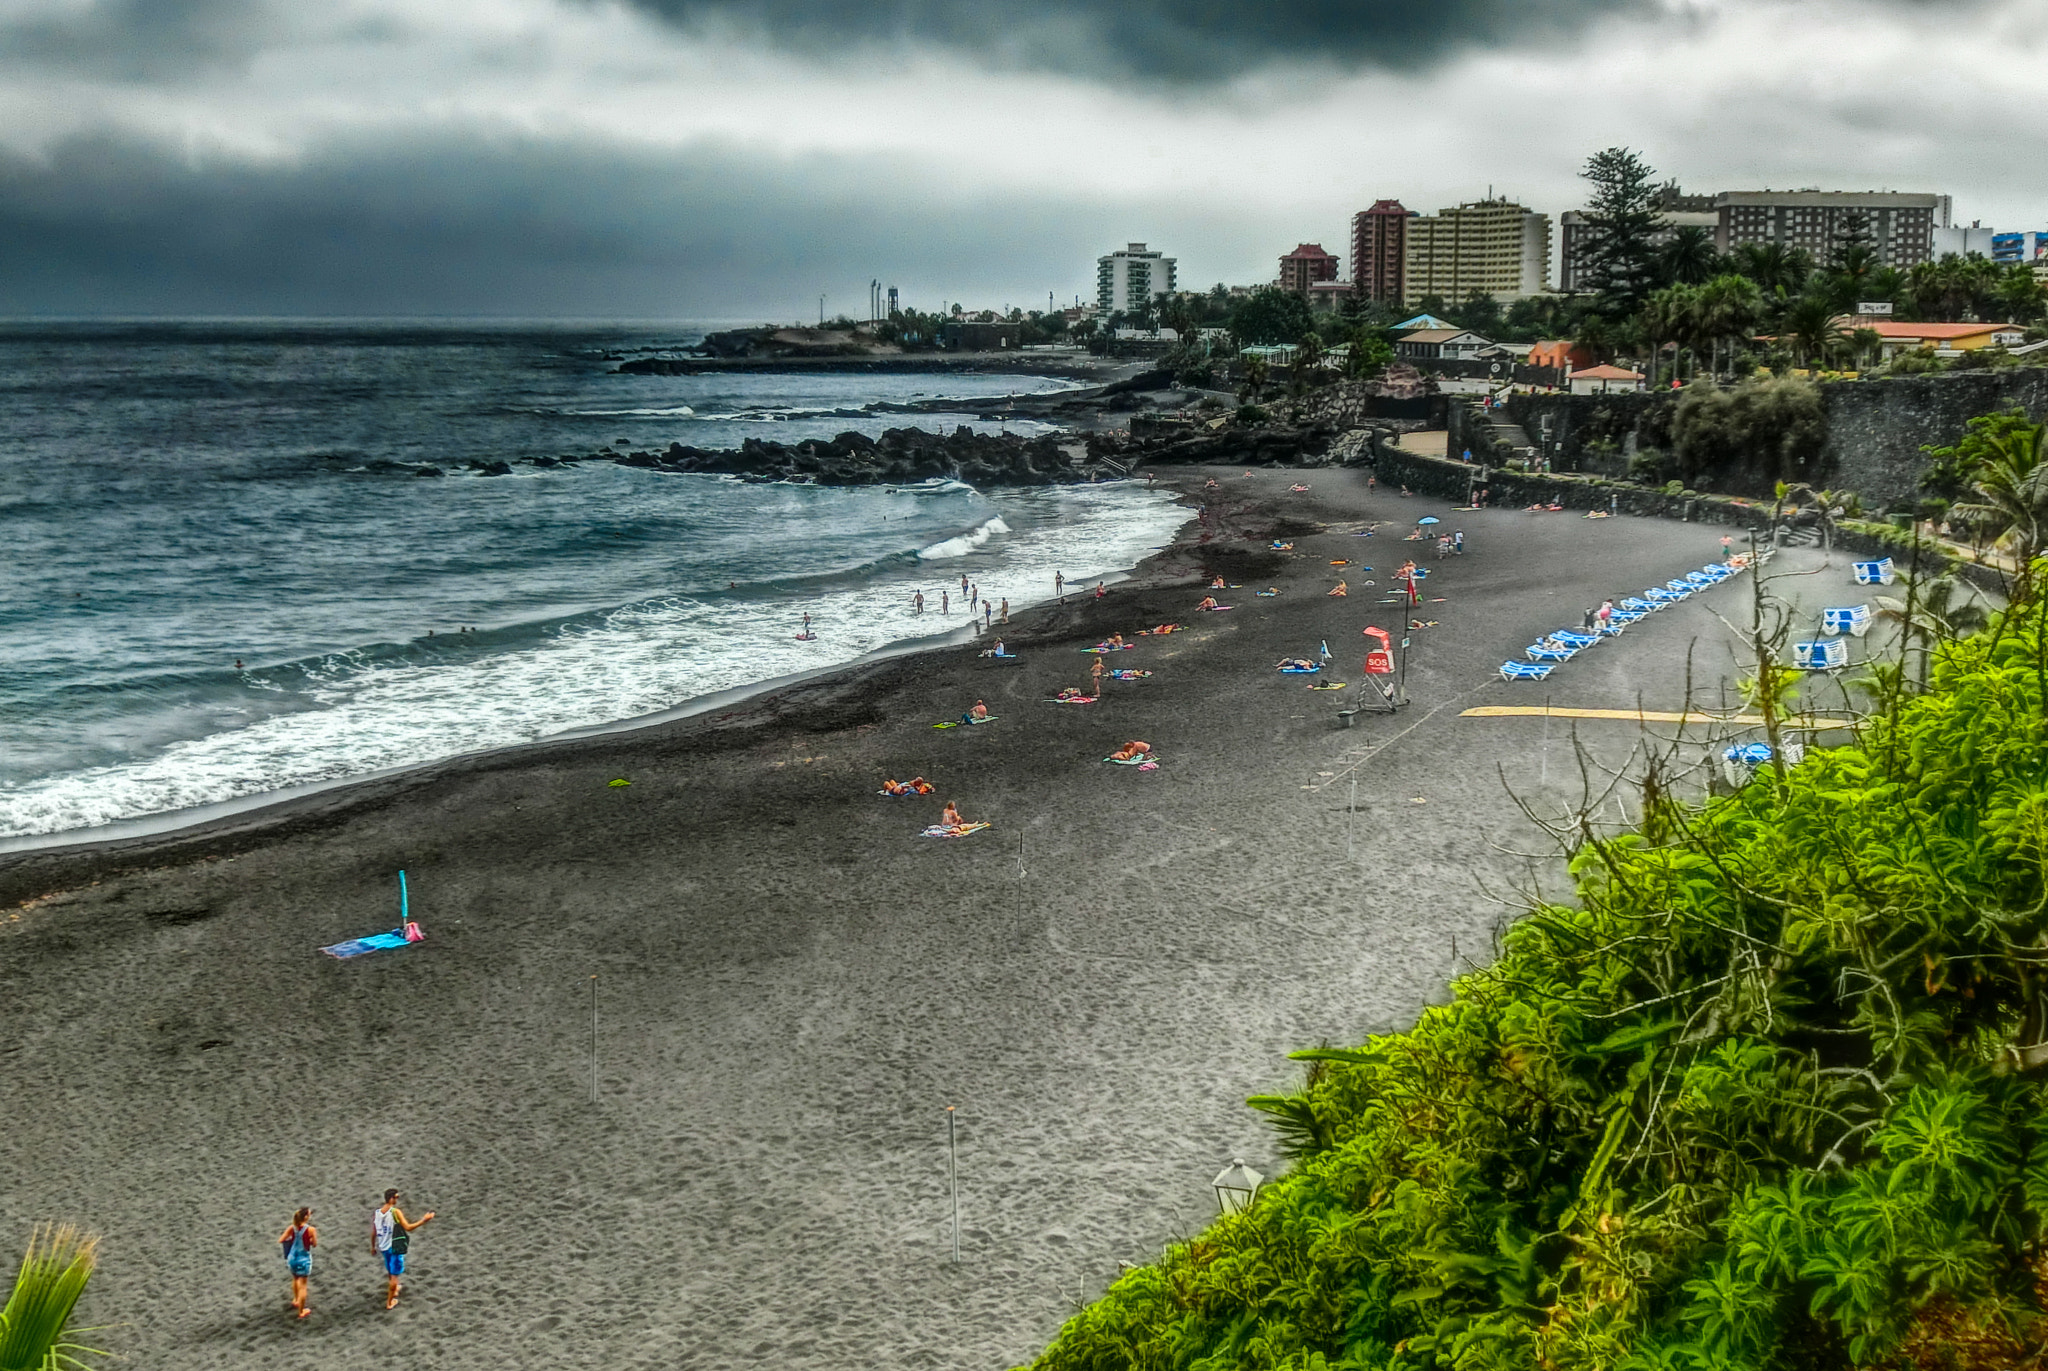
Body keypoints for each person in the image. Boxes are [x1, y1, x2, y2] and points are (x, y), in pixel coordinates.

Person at [371, 1189, 435, 1310]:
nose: (397, 1199)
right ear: (390, 1198)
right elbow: (408, 1227)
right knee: (394, 1275)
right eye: (396, 1197)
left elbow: (374, 1232)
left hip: (383, 1246)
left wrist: (373, 1246)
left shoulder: (377, 1213)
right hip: (394, 1246)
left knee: (390, 1269)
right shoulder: (395, 1212)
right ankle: (390, 1302)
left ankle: (395, 1290)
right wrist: (424, 1220)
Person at [279, 1207, 317, 1319]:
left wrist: (293, 1240)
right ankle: (301, 1311)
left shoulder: (292, 1227)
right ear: (306, 1217)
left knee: (295, 1279)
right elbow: (314, 1244)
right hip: (303, 1259)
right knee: (303, 1286)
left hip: (292, 1257)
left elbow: (281, 1239)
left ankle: (296, 1300)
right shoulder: (311, 1230)